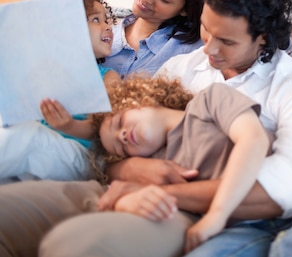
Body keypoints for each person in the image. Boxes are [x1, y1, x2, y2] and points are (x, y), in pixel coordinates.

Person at [37, 0, 292, 257]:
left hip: (283, 214)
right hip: (212, 217)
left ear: (263, 38)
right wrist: (133, 169)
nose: (210, 49)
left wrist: (164, 192)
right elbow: (113, 141)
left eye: (227, 41)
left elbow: (290, 189)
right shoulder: (181, 70)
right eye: (206, 30)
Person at [90, 75, 273, 253]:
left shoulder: (208, 101)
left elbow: (254, 139)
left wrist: (217, 214)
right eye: (121, 149)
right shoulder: (157, 166)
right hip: (232, 229)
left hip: (270, 206)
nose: (121, 136)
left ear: (139, 97)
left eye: (120, 122)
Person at [0, 0, 121, 182]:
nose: (108, 27)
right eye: (96, 20)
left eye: (107, 20)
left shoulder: (108, 78)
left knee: (27, 136)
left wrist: (70, 125)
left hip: (81, 154)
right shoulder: (41, 71)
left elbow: (107, 127)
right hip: (41, 151)